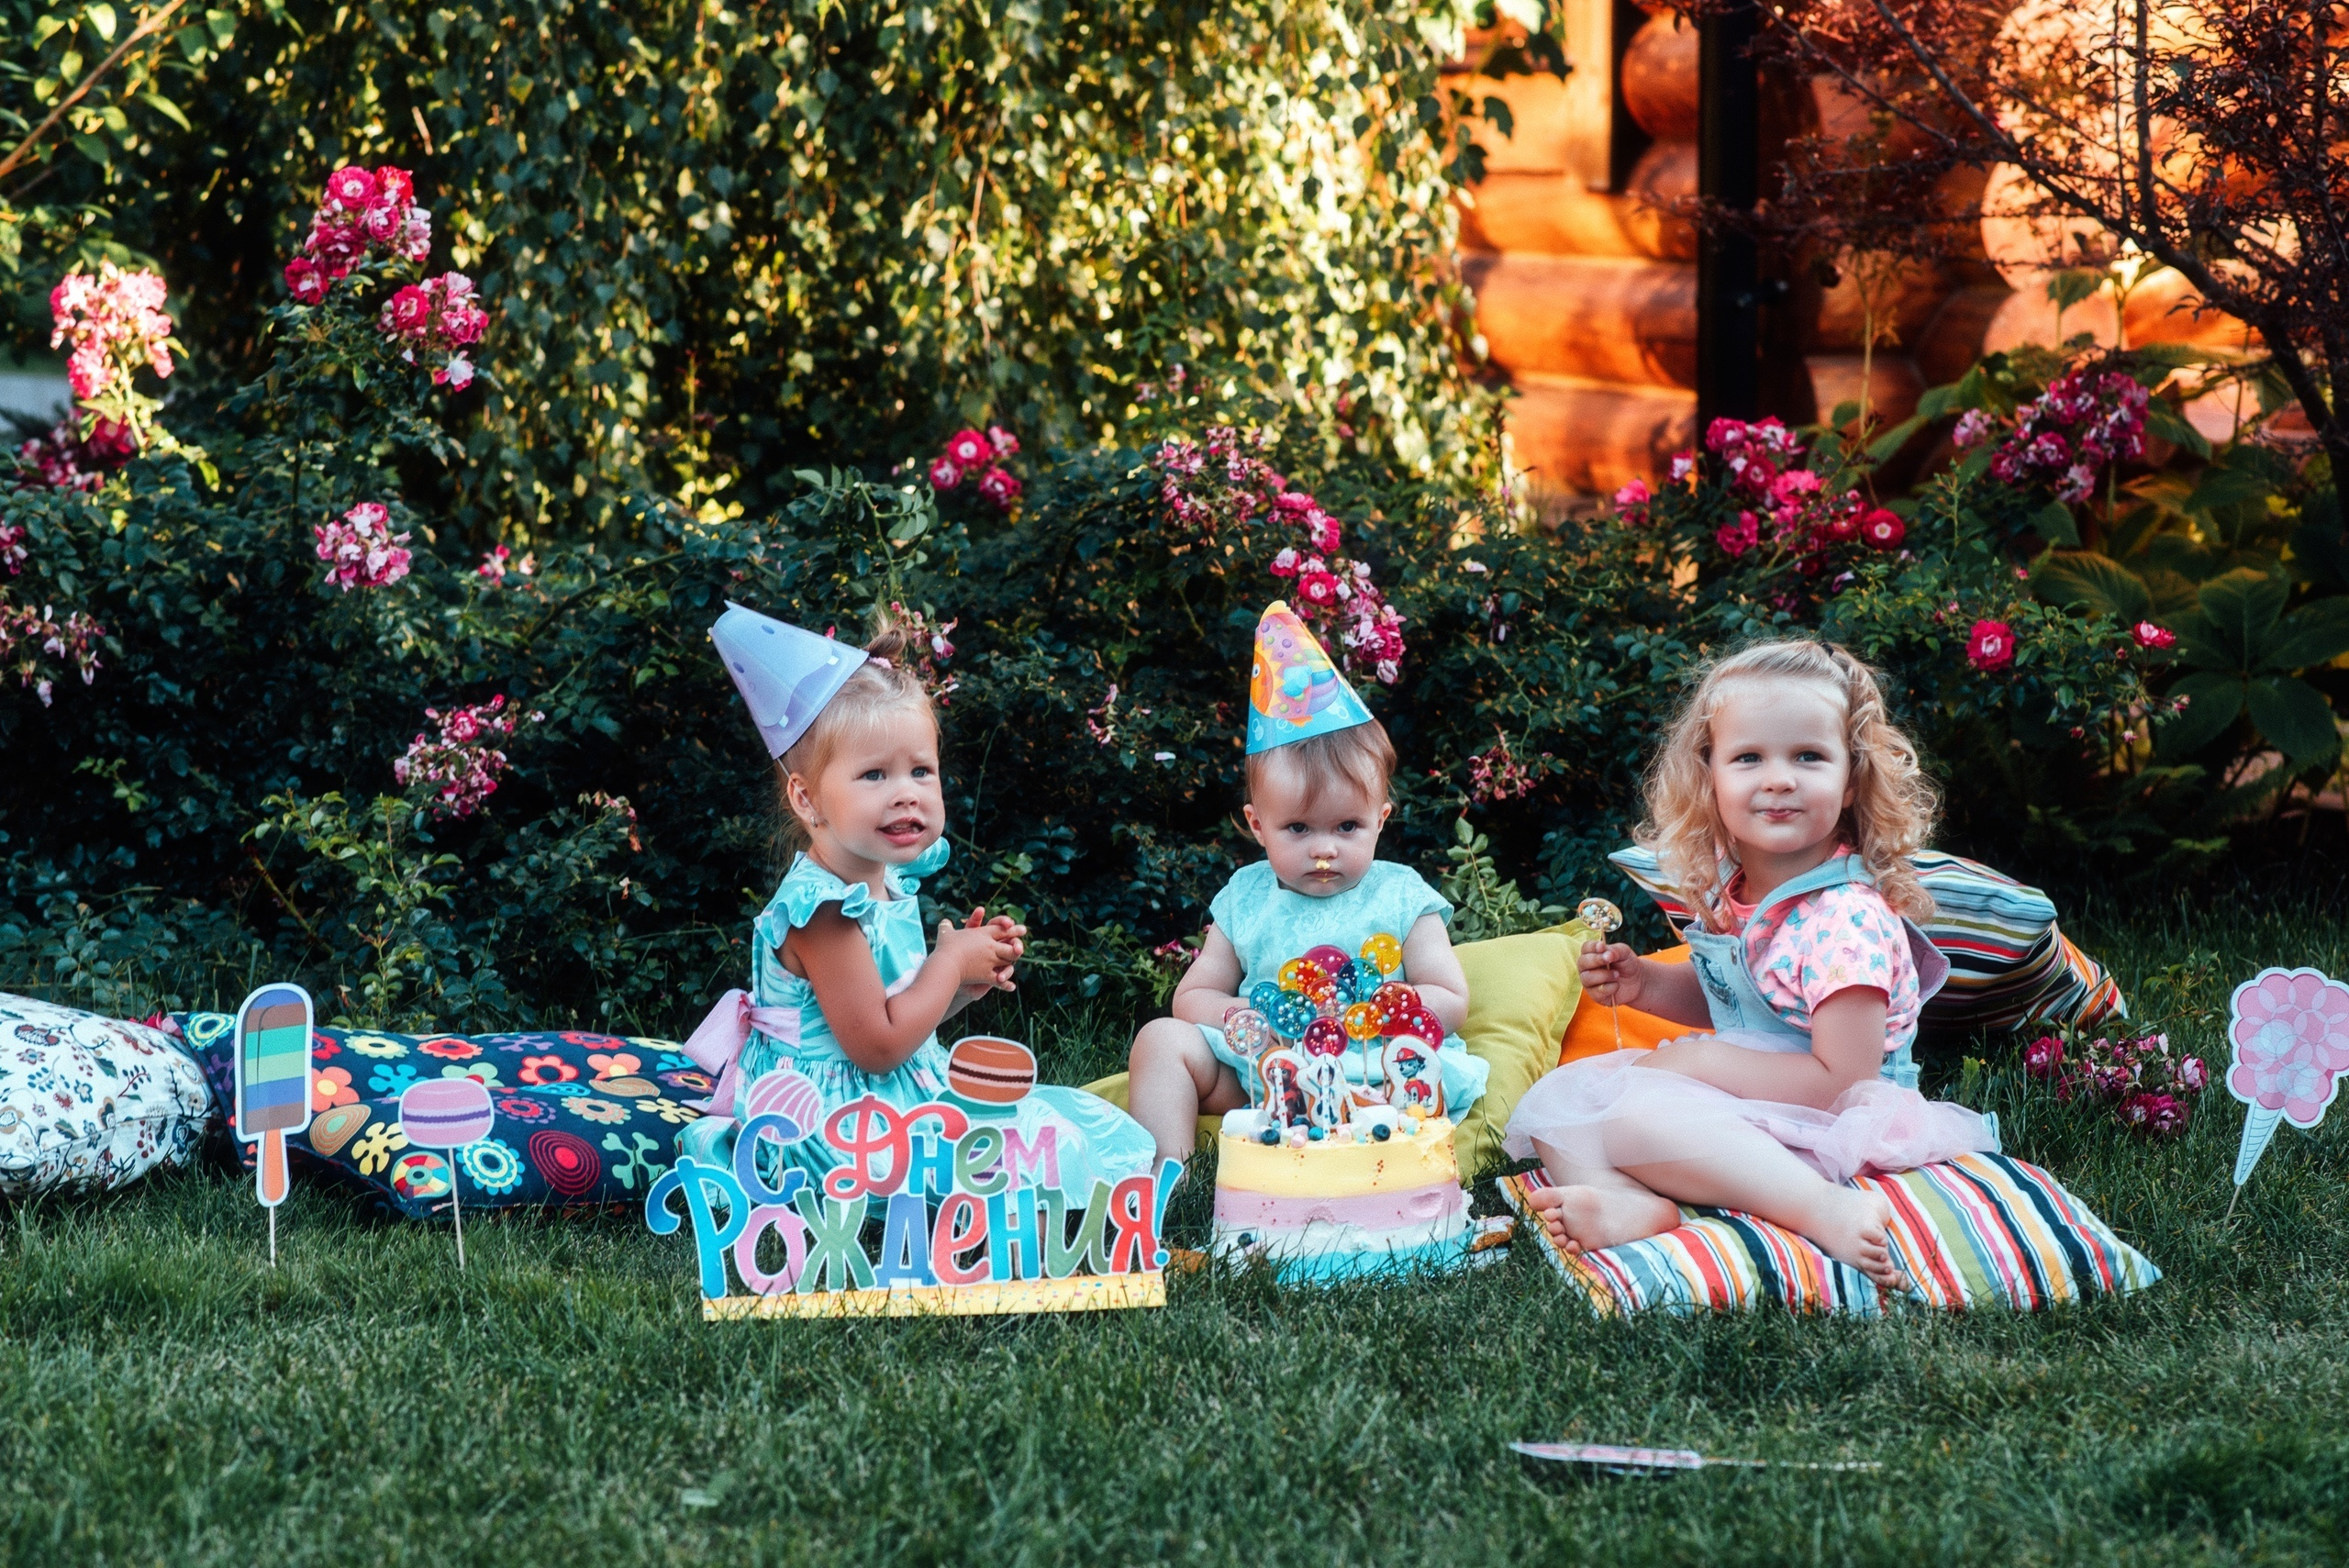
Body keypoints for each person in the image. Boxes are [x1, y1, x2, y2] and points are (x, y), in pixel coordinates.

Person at [1505, 639, 1993, 1290]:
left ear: (1852, 779)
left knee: (1634, 1111)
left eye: (1809, 756)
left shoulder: (1845, 915)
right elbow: (1740, 1003)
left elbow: (1841, 1077)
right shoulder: (1738, 893)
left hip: (1837, 1122)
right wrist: (1647, 983)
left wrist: (1702, 1062)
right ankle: (1625, 1201)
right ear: (1711, 779)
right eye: (1749, 758)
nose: (1779, 777)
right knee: (1566, 1098)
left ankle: (1826, 1208)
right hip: (1757, 1099)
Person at [685, 602, 1155, 1193]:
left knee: (1055, 1125)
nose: (906, 794)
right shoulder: (823, 913)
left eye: (921, 772)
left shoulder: (881, 881)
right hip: (832, 1129)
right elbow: (878, 1046)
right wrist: (947, 962)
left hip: (883, 1096)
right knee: (1033, 1150)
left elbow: (897, 1019)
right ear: (808, 801)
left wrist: (961, 987)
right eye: (874, 776)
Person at [1125, 602, 1479, 1166]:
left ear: (1380, 820)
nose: (1323, 847)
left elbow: (1453, 999)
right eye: (1297, 828)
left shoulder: (1401, 895)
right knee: (1162, 1039)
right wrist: (1245, 1018)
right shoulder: (1245, 897)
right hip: (1264, 1075)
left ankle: (1361, 1150)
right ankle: (1169, 1181)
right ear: (1258, 825)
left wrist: (1381, 1005)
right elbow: (1191, 996)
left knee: (1398, 1095)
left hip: (1377, 1079)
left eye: (1347, 826)